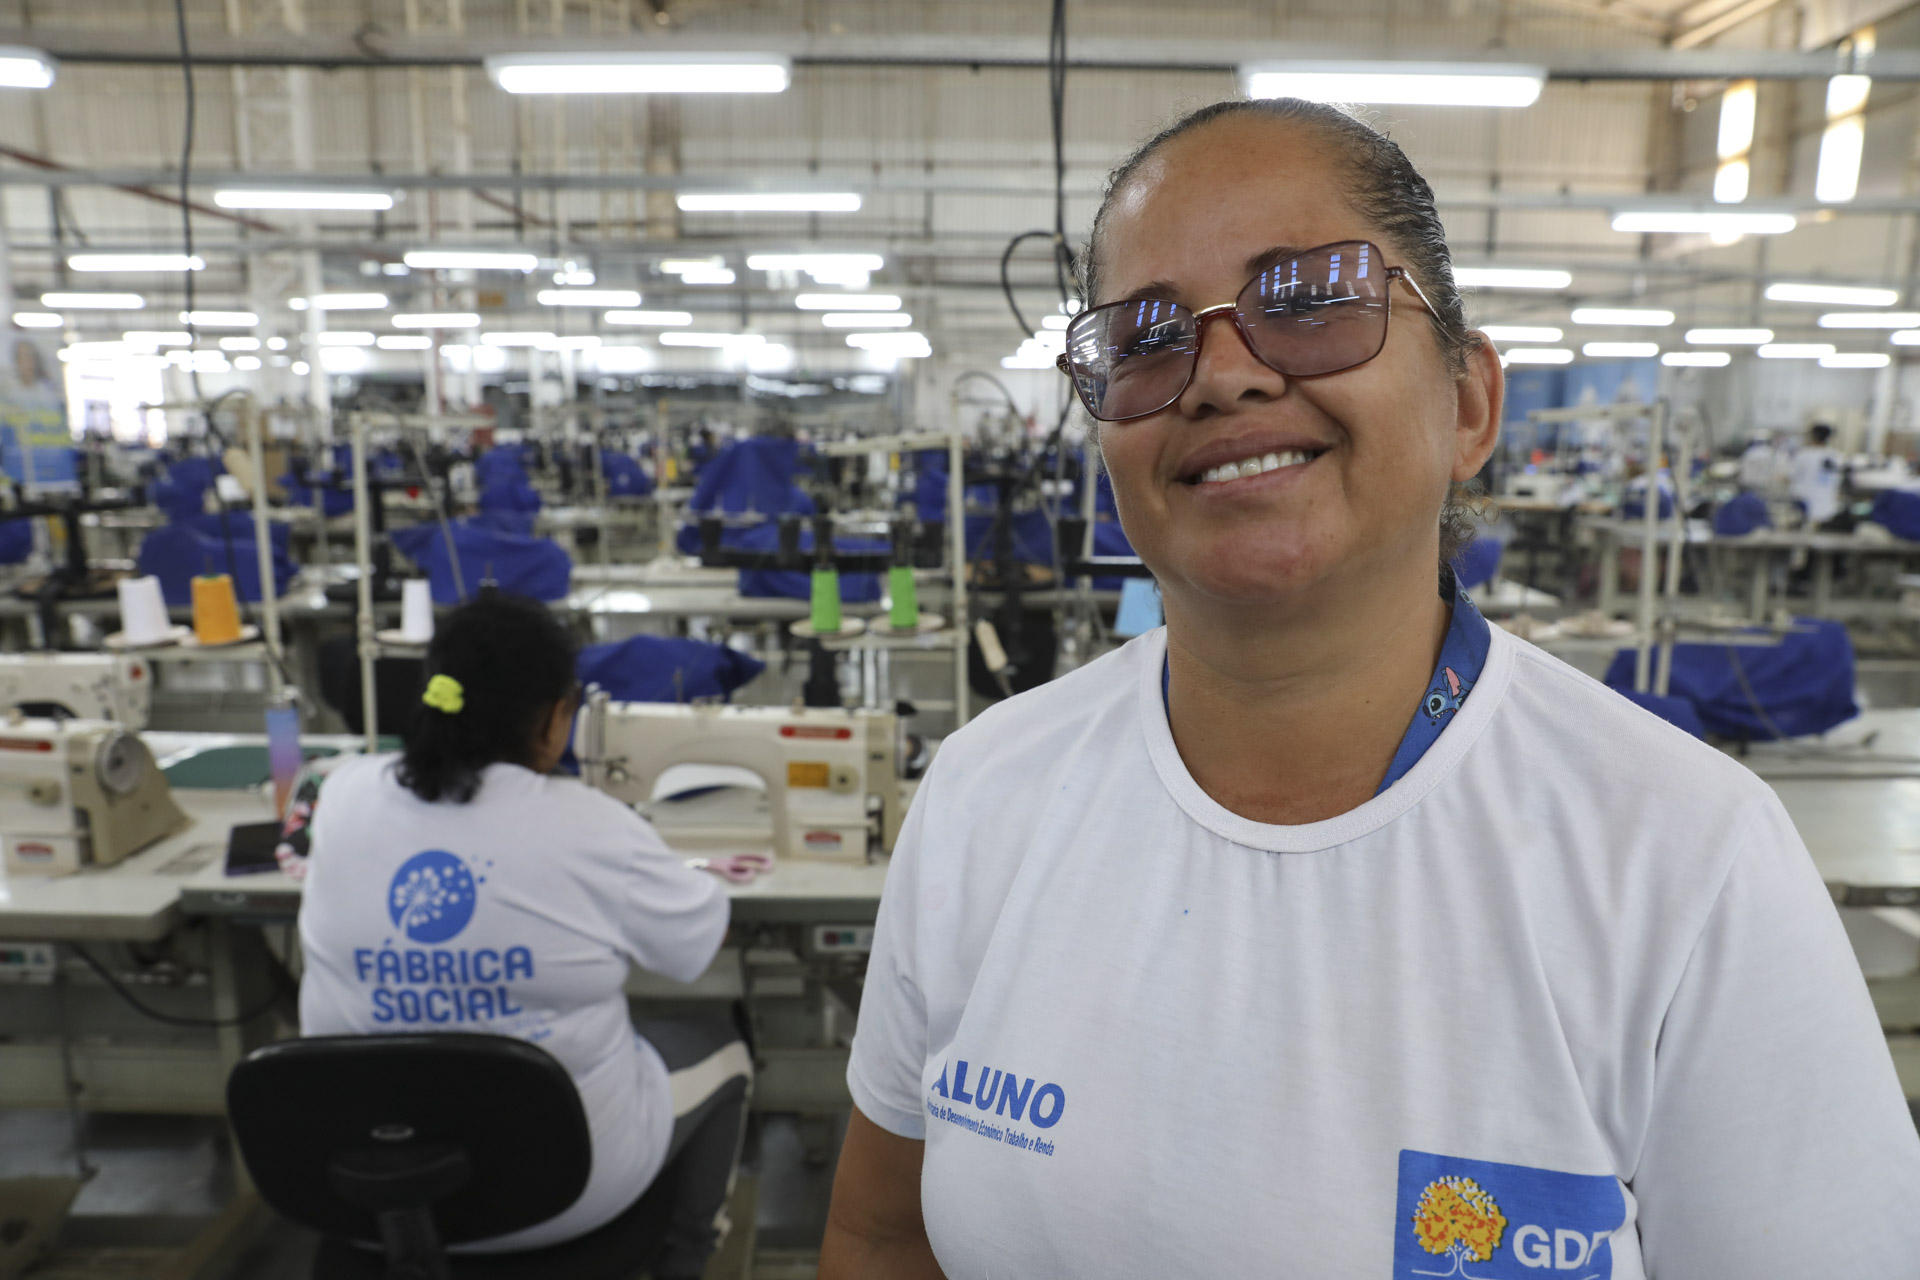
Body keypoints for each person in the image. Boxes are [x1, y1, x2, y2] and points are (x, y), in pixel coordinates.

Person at [821, 99, 1920, 1278]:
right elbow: (882, 1236)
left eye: (1309, 299)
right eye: (1145, 337)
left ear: (1469, 404)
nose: (1221, 375)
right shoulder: (987, 795)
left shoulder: (1688, 860)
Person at [297, 592, 750, 1277]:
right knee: (722, 1047)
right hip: (560, 1193)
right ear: (555, 717)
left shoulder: (343, 795)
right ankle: (684, 1261)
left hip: (362, 1189)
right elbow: (700, 943)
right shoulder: (593, 827)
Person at [1790, 421, 1845, 527]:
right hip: (1829, 506)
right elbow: (1837, 480)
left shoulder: (1804, 455)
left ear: (1813, 436)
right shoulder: (1836, 456)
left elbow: (1792, 476)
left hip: (1805, 504)